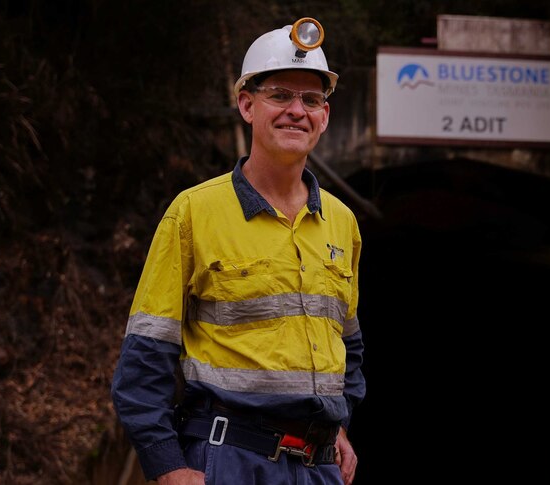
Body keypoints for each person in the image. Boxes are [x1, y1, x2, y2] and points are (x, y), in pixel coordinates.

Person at [111, 18, 365, 485]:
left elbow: (347, 344)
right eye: (281, 95)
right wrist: (167, 463)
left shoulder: (342, 222)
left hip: (318, 468)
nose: (297, 110)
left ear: (325, 117)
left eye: (311, 99)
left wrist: (339, 421)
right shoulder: (193, 213)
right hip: (228, 461)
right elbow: (146, 355)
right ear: (247, 105)